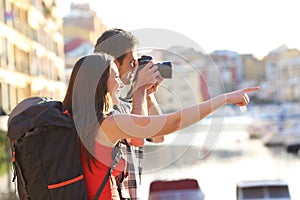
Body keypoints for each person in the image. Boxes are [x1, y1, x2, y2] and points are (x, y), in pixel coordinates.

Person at [63, 53, 259, 200]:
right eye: (114, 76)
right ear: (99, 83)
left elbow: (144, 136)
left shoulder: (74, 120)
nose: (120, 83)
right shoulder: (108, 124)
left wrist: (144, 94)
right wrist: (224, 98)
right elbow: (172, 122)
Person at [94, 28, 163, 199]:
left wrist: (148, 94)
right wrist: (139, 89)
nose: (135, 68)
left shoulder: (124, 104)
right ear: (114, 64)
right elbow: (137, 138)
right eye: (132, 63)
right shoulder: (101, 110)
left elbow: (158, 136)